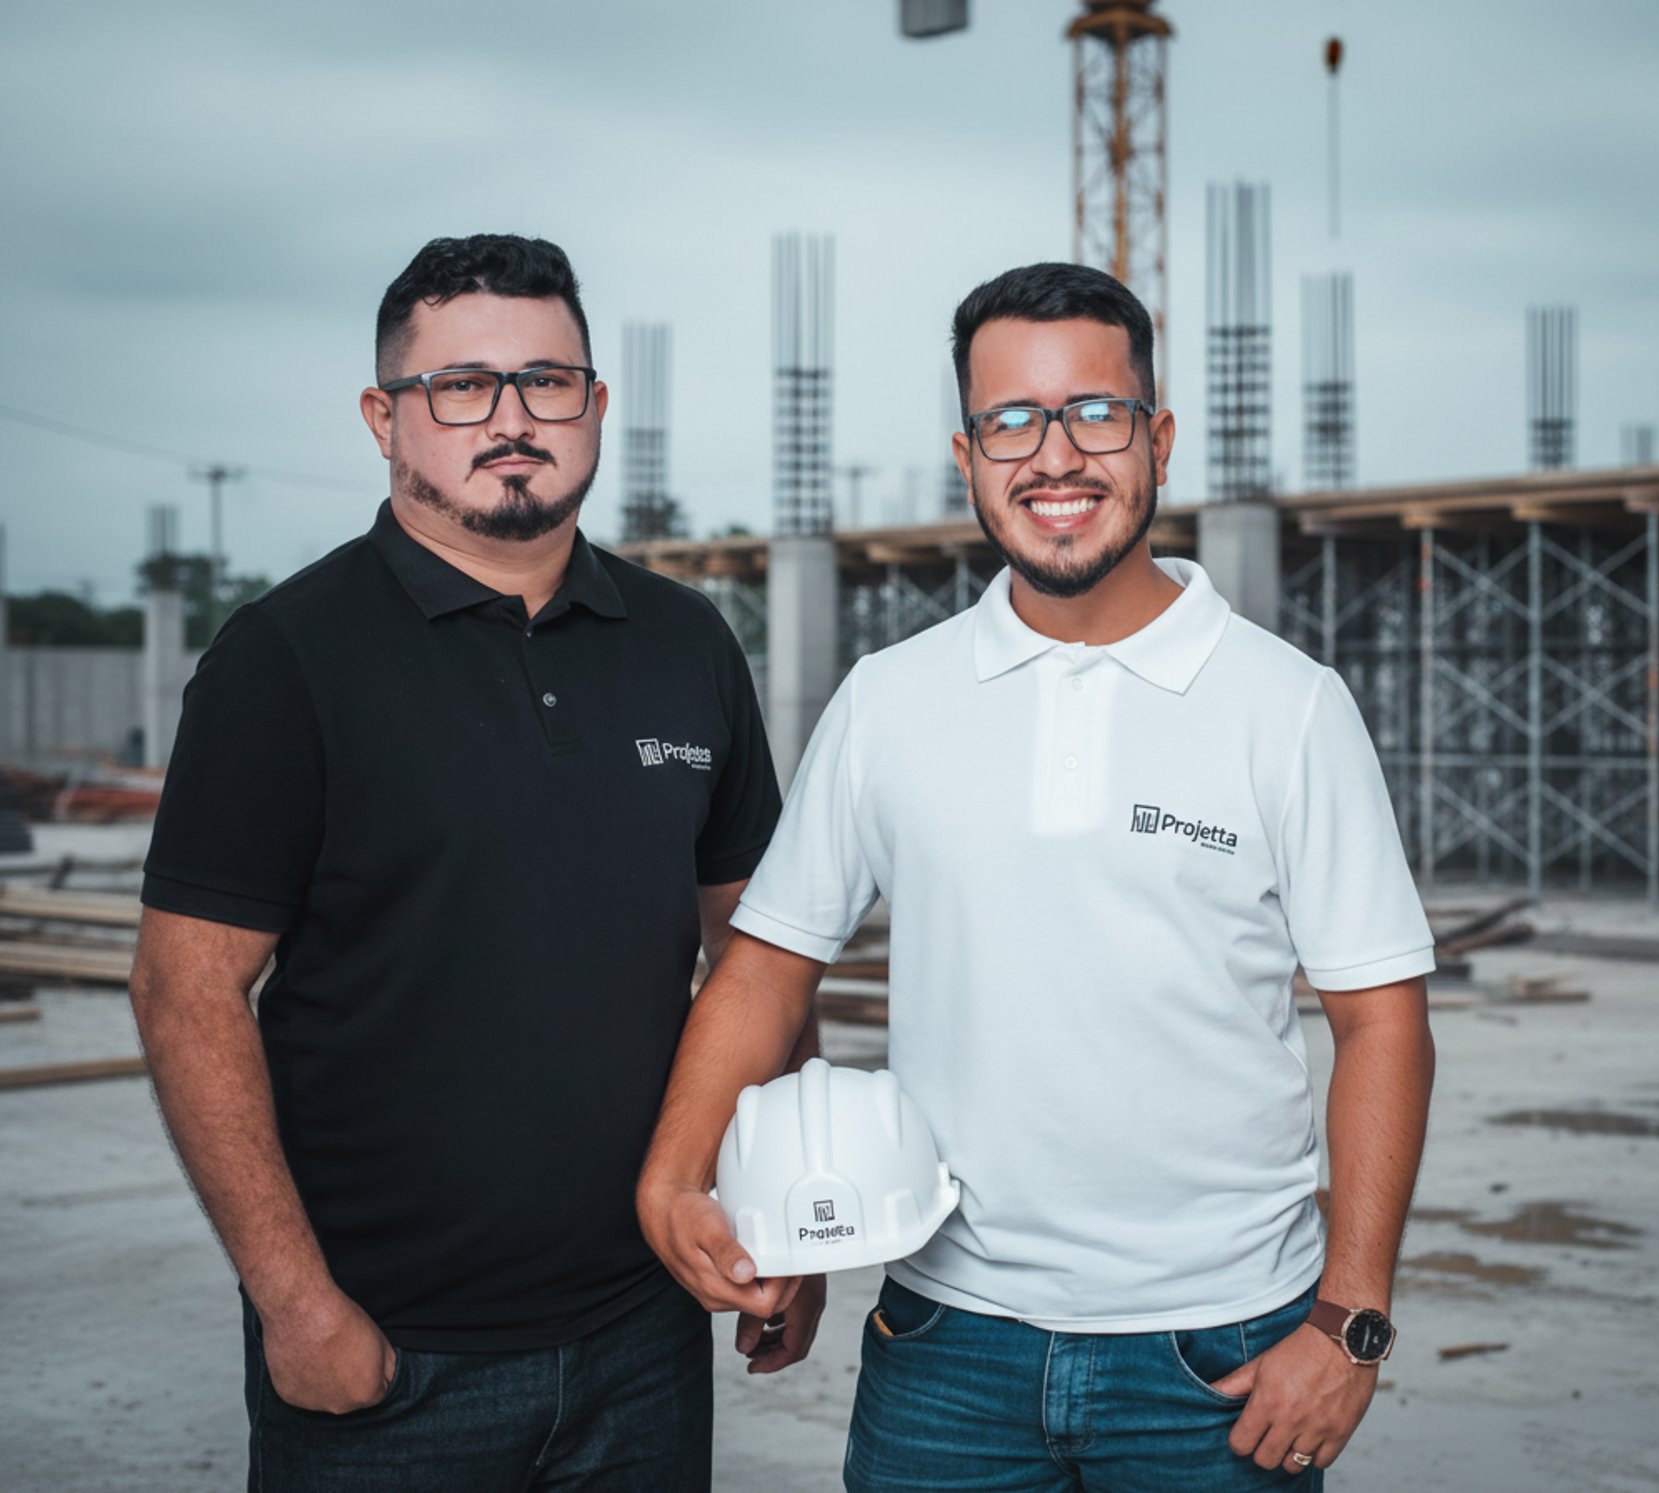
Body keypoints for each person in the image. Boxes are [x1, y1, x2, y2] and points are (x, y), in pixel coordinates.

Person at [639, 261, 1437, 1489]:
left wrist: (1351, 1321)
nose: (1053, 455)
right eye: (1012, 419)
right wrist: (675, 1173)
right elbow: (763, 966)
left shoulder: (1286, 708)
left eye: (1094, 413)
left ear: (1157, 437)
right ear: (968, 454)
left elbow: (1381, 1019)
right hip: (946, 1344)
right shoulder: (890, 703)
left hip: (1221, 1355)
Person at [129, 233, 818, 1493]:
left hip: (644, 1333)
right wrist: (294, 1300)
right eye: (461, 386)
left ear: (596, 406)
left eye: (547, 381)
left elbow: (760, 955)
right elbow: (186, 991)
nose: (510, 417)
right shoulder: (289, 656)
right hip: (389, 1354)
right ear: (385, 418)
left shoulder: (686, 642)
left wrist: (794, 1210)